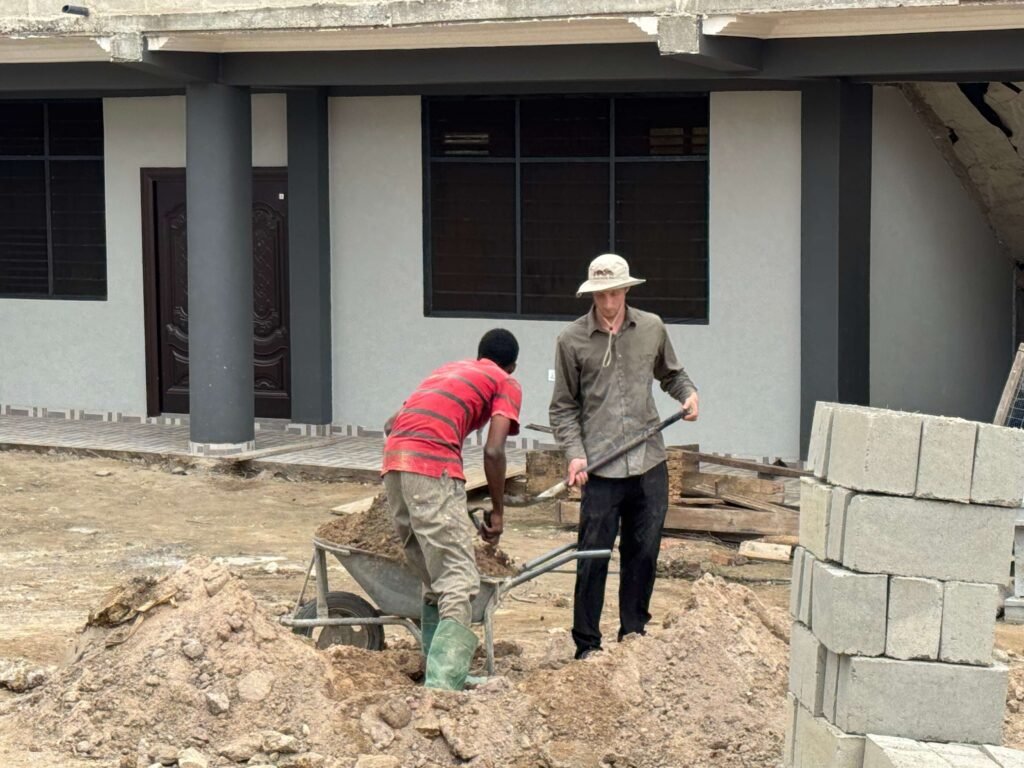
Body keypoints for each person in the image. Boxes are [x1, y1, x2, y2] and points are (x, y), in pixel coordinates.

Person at [549, 253, 699, 660]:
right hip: (601, 467)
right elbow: (562, 407)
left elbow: (672, 374)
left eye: (614, 293)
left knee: (643, 553)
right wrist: (575, 455)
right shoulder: (571, 340)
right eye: (601, 295)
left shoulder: (651, 328)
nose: (608, 302)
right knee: (593, 556)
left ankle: (633, 634)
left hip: (648, 462)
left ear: (626, 290)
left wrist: (688, 395)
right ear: (591, 294)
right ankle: (587, 644)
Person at [382, 329, 522, 689]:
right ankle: (443, 687)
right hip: (432, 467)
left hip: (394, 465)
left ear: (479, 355)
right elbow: (494, 450)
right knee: (459, 576)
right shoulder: (506, 381)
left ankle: (437, 670)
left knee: (435, 576)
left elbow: (390, 424)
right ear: (512, 365)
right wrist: (498, 511)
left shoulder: (448, 371)